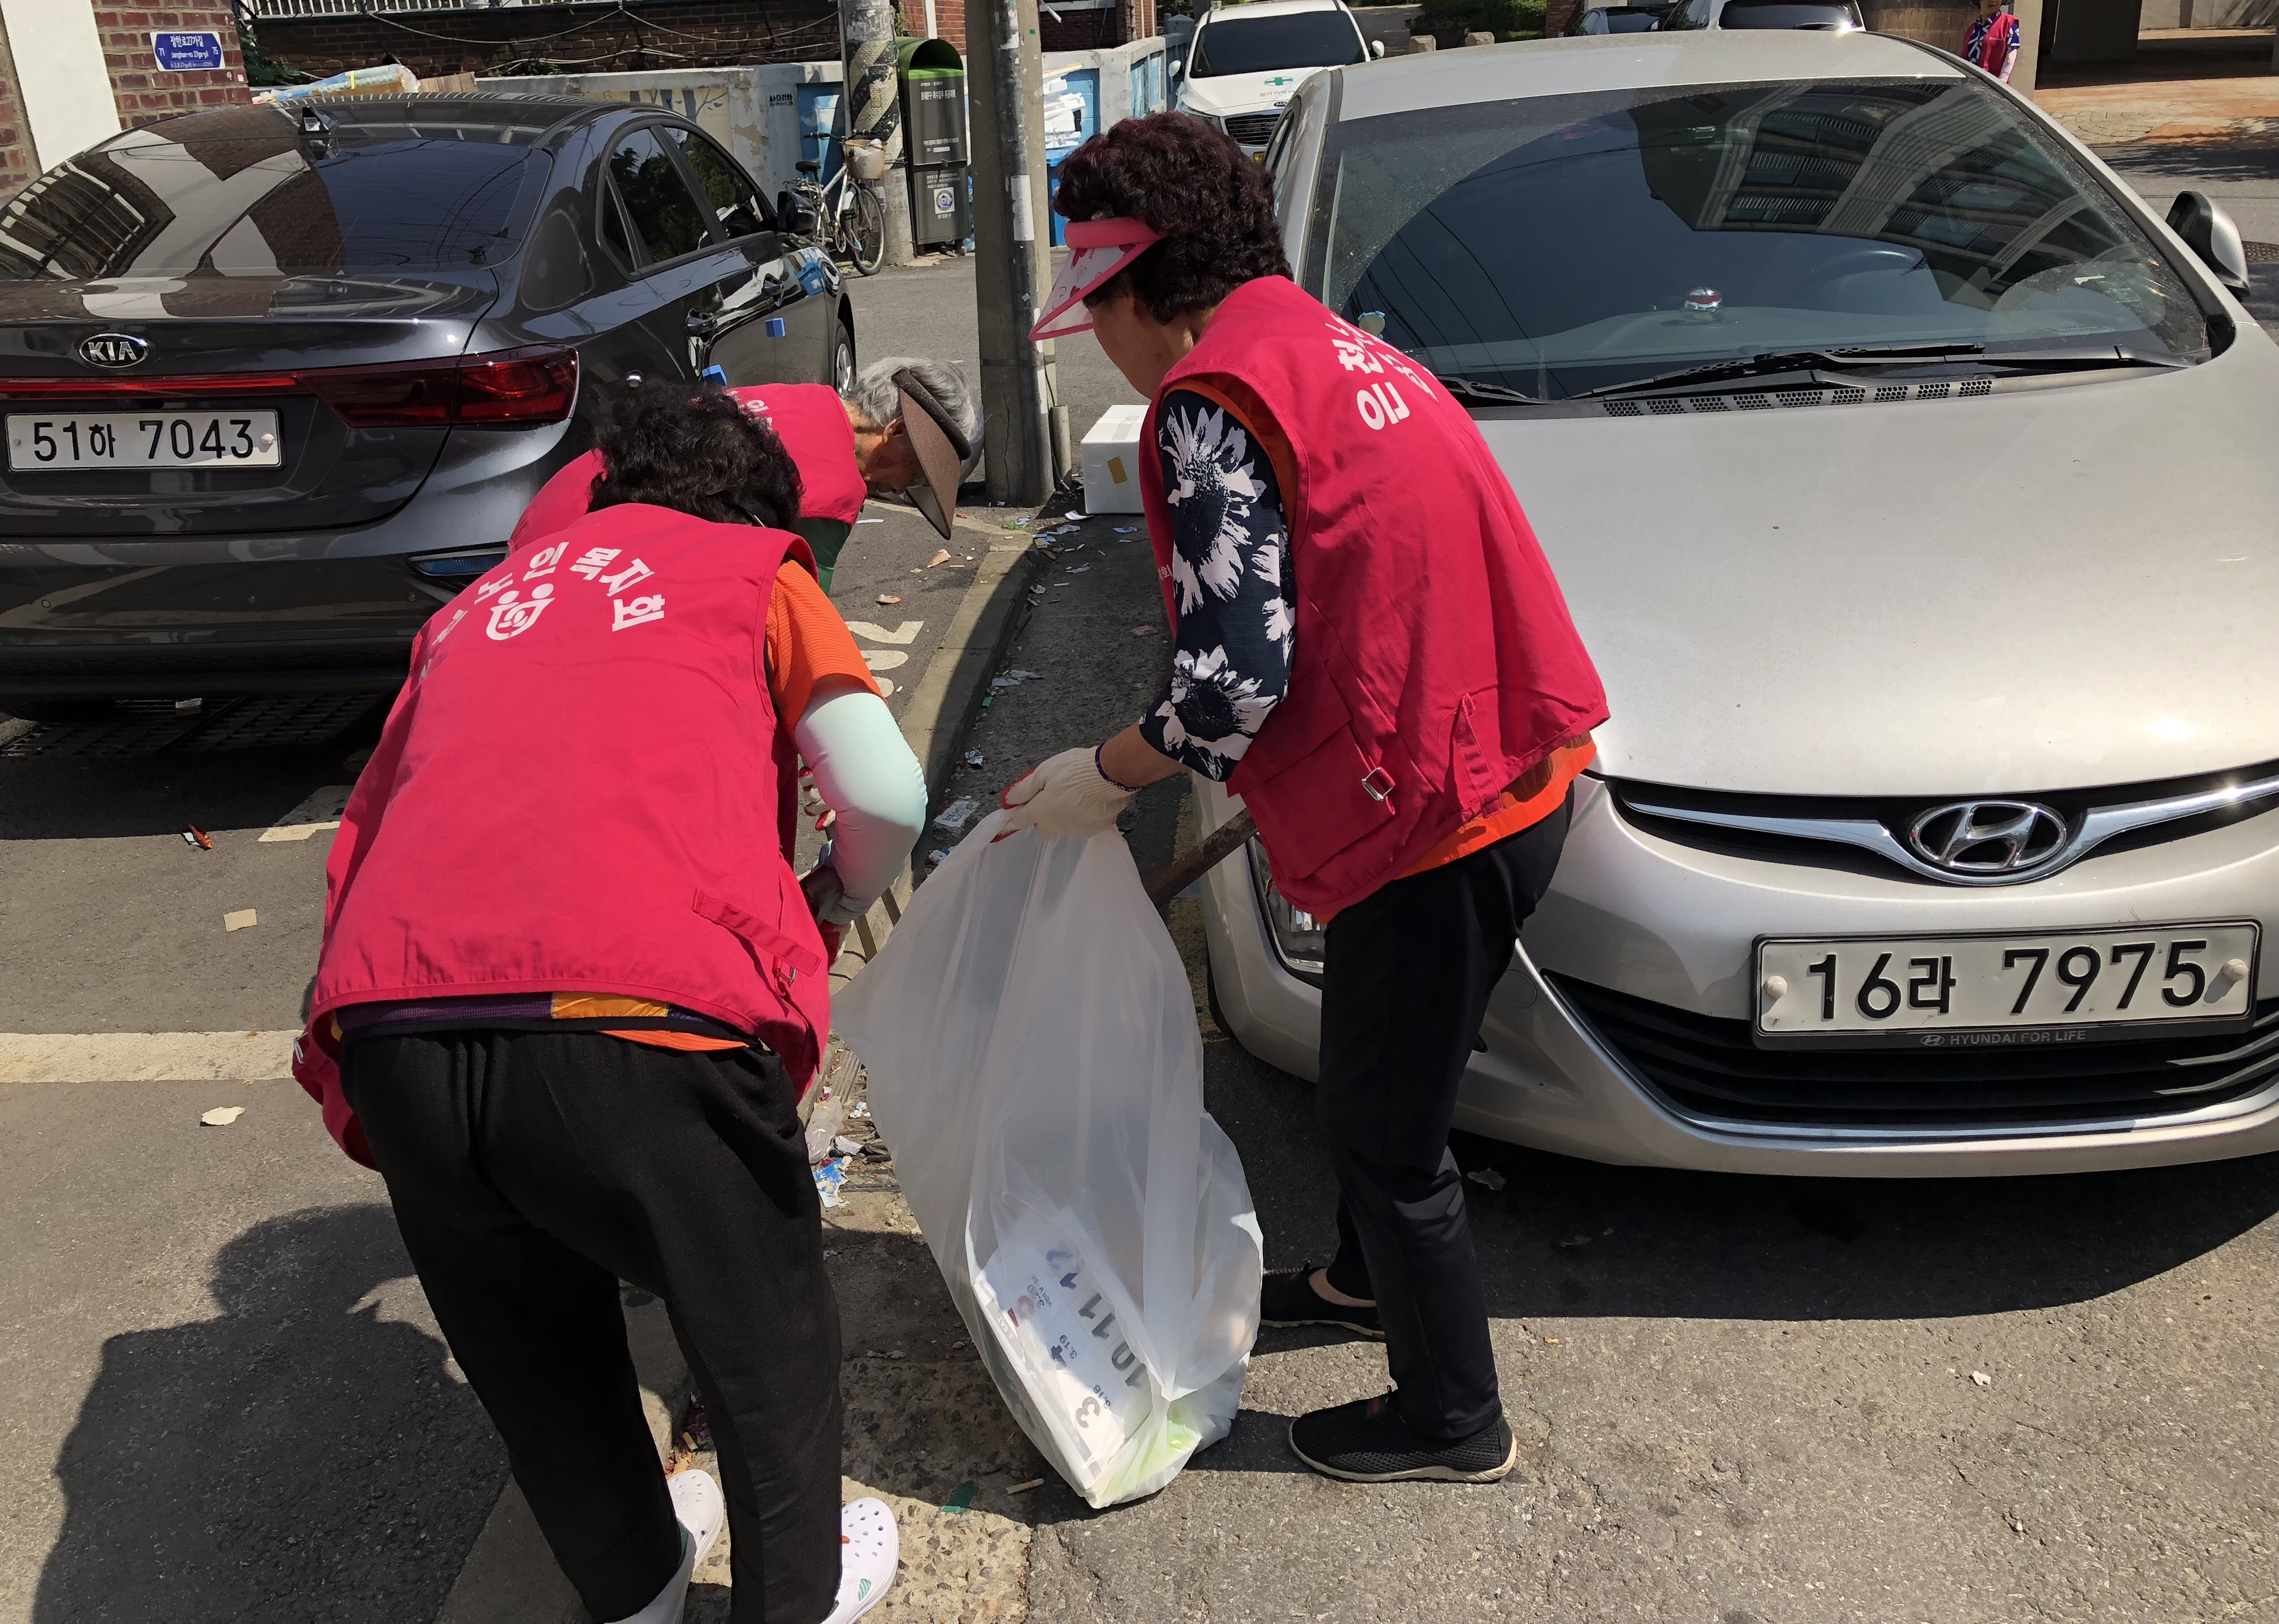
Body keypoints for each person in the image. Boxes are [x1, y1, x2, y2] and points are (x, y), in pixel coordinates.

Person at [999, 115, 1608, 1486]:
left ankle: (1453, 1418)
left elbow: (1229, 685)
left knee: (1386, 1136)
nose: (1104, 345)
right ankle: (1359, 1283)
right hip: (1504, 768)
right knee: (1377, 1076)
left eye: (1098, 312)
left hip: (1434, 820)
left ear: (1137, 289)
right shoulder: (1339, 349)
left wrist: (1100, 778)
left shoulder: (1211, 401)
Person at [292, 383, 926, 1624]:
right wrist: (830, 902)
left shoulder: (475, 608)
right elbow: (883, 795)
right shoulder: (754, 571)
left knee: (533, 1354)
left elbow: (374, 824)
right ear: (757, 509)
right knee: (763, 1340)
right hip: (635, 1018)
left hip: (399, 1026)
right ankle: (795, 1598)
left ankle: (635, 1589)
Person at [513, 357, 981, 590]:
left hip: (544, 525)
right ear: (895, 432)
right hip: (585, 564)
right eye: (915, 475)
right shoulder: (836, 488)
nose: (900, 489)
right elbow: (802, 619)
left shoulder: (802, 398)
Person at [1966, 0, 2020, 86]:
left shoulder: (2009, 24)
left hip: (1993, 85)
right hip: (1971, 83)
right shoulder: (1973, 28)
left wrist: (2001, 83)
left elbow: (2011, 54)